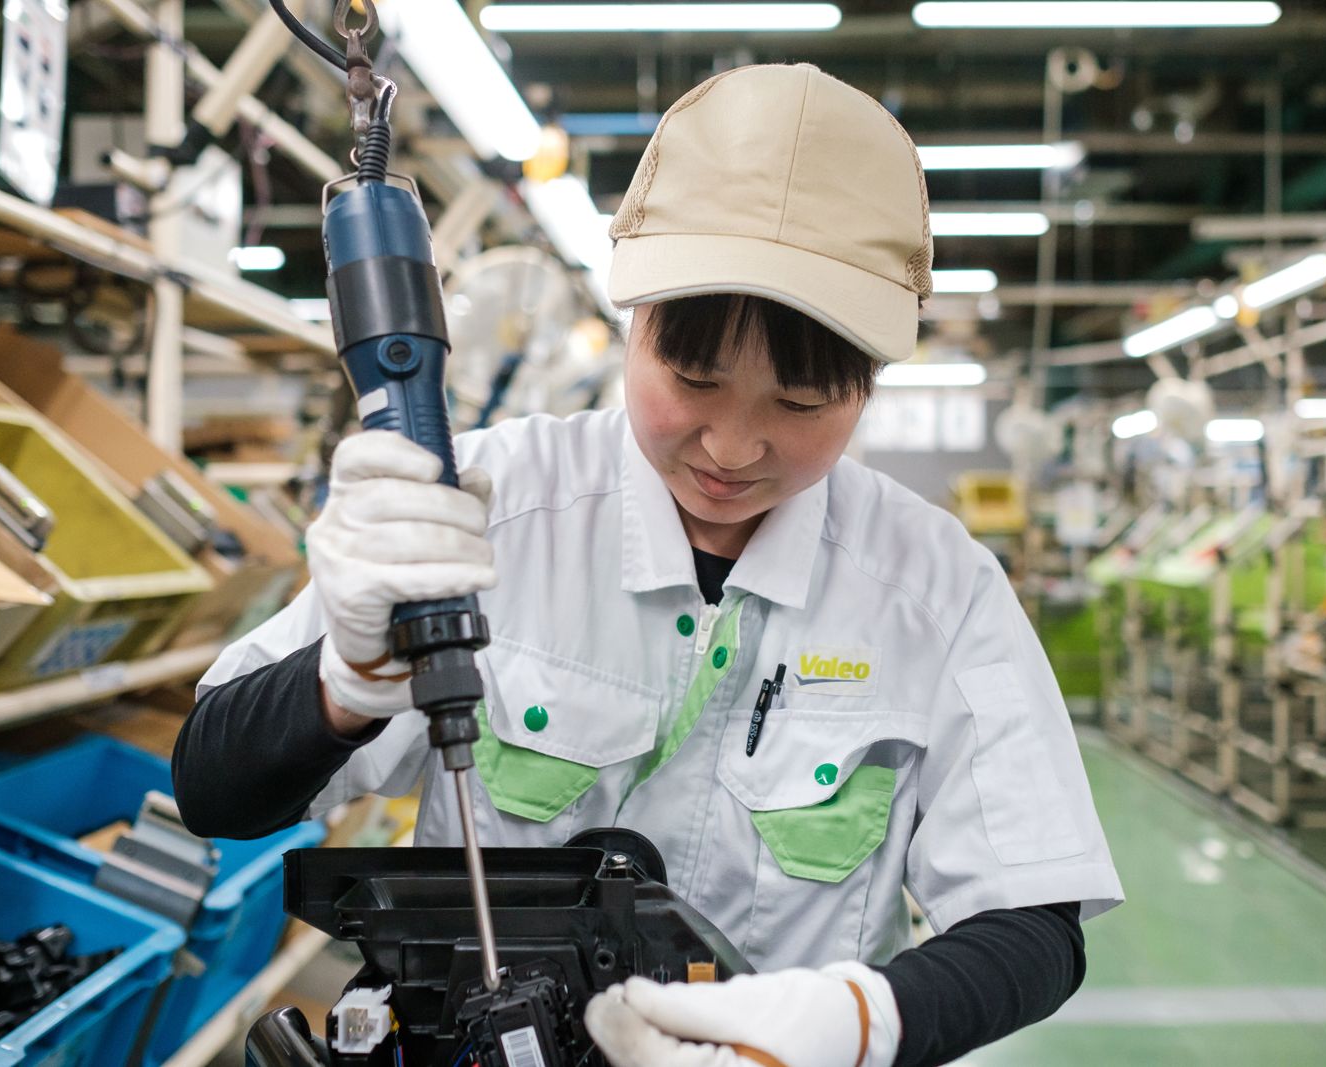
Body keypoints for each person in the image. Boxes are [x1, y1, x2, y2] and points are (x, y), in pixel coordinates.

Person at [174, 63, 1123, 1067]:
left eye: (798, 407)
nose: (730, 447)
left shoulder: (934, 589)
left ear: (870, 384)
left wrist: (860, 1020)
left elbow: (1033, 924)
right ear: (633, 317)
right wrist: (343, 687)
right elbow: (213, 790)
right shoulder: (484, 510)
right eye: (694, 378)